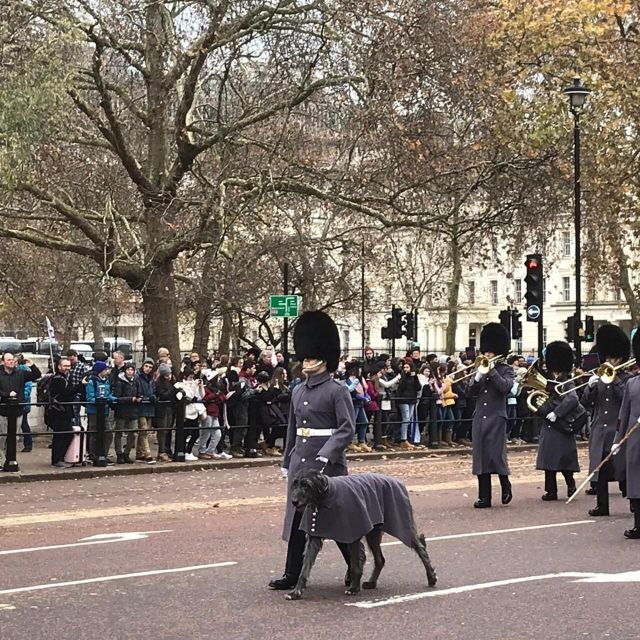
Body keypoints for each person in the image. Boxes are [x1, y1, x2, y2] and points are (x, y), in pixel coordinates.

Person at [269, 310, 355, 591]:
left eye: (310, 356)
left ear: (324, 358)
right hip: (300, 461)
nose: (306, 360)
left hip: (327, 465)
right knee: (296, 519)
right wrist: (286, 460)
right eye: (304, 356)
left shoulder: (336, 390)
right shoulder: (297, 390)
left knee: (338, 519)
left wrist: (327, 454)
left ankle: (354, 567)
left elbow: (346, 428)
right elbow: (293, 430)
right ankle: (292, 573)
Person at [581, 325, 632, 517]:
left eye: (614, 358)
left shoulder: (627, 378)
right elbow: (586, 402)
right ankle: (602, 505)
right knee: (601, 471)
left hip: (618, 430)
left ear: (621, 358)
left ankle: (633, 504)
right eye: (608, 358)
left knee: (623, 470)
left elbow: (626, 398)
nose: (611, 361)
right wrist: (591, 387)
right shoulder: (599, 377)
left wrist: (615, 380)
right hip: (600, 431)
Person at [466, 323, 515, 508]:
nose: (486, 356)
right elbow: (469, 392)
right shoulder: (480, 368)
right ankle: (484, 497)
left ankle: (505, 486)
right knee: (480, 457)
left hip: (496, 417)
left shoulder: (506, 370)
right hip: (480, 417)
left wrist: (491, 371)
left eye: (490, 353)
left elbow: (505, 387)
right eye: (485, 353)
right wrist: (478, 376)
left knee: (496, 455)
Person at [535, 341, 582, 501]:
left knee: (564, 460)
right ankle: (551, 491)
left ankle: (571, 484)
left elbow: (572, 399)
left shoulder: (567, 381)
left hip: (561, 425)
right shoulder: (549, 380)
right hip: (549, 426)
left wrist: (556, 413)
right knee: (549, 460)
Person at [613, 328, 640, 538]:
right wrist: (617, 440)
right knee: (635, 483)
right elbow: (623, 414)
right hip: (634, 440)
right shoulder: (632, 382)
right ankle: (638, 525)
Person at [0, 352, 41, 467]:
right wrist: (7, 394)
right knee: (2, 436)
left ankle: (11, 459)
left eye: (12, 359)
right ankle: (2, 460)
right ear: (3, 362)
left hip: (17, 409)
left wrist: (32, 365)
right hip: (3, 410)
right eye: (8, 360)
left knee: (15, 436)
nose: (11, 361)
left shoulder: (21, 373)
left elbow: (36, 375)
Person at [49, 358, 84, 468]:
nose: (67, 368)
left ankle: (61, 457)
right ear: (59, 367)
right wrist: (80, 385)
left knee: (67, 434)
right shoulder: (58, 379)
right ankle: (56, 459)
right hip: (59, 411)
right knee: (60, 435)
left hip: (65, 411)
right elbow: (65, 393)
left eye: (69, 366)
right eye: (65, 366)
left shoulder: (66, 378)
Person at [85, 361, 118, 464]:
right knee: (93, 433)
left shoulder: (106, 381)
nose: (107, 371)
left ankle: (104, 453)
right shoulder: (91, 382)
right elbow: (90, 398)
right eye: (105, 369)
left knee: (108, 433)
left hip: (104, 410)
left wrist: (115, 399)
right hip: (94, 411)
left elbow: (108, 394)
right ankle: (93, 454)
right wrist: (101, 401)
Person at [113, 362, 142, 464]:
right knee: (119, 433)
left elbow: (139, 392)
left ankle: (127, 453)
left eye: (132, 370)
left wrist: (139, 397)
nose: (130, 372)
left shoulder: (136, 381)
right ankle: (119, 454)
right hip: (122, 411)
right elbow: (117, 397)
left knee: (133, 433)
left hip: (133, 411)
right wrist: (130, 399)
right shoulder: (120, 382)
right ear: (125, 371)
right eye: (128, 370)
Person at [395, 360, 420, 450]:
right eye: (404, 367)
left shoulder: (413, 377)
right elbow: (402, 387)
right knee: (405, 419)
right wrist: (405, 376)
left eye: (407, 367)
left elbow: (418, 387)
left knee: (408, 419)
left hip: (412, 399)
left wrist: (415, 377)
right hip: (404, 399)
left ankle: (406, 438)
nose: (405, 369)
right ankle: (403, 439)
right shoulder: (402, 376)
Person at [135, 359, 156, 463]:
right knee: (144, 430)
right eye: (146, 366)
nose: (148, 369)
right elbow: (137, 392)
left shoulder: (151, 379)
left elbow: (154, 390)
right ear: (143, 366)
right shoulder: (138, 378)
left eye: (150, 367)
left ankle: (139, 453)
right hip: (141, 407)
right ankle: (147, 453)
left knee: (144, 431)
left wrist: (153, 397)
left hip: (149, 407)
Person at [154, 363, 175, 462]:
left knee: (167, 430)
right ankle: (161, 451)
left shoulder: (171, 381)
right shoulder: (159, 383)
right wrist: (173, 391)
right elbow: (162, 395)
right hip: (162, 409)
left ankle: (164, 450)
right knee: (162, 430)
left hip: (169, 408)